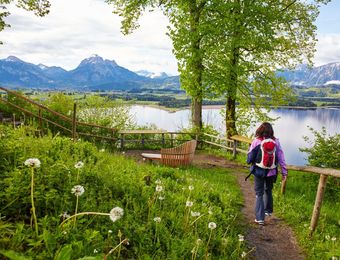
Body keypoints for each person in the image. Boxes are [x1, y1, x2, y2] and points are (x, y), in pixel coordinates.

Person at [247, 122, 287, 225]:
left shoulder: (256, 141)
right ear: (271, 131)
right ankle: (268, 211)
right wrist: (284, 172)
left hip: (259, 171)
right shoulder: (276, 142)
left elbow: (250, 158)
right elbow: (281, 157)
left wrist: (250, 163)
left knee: (259, 194)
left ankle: (260, 218)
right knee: (268, 190)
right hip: (272, 172)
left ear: (259, 130)